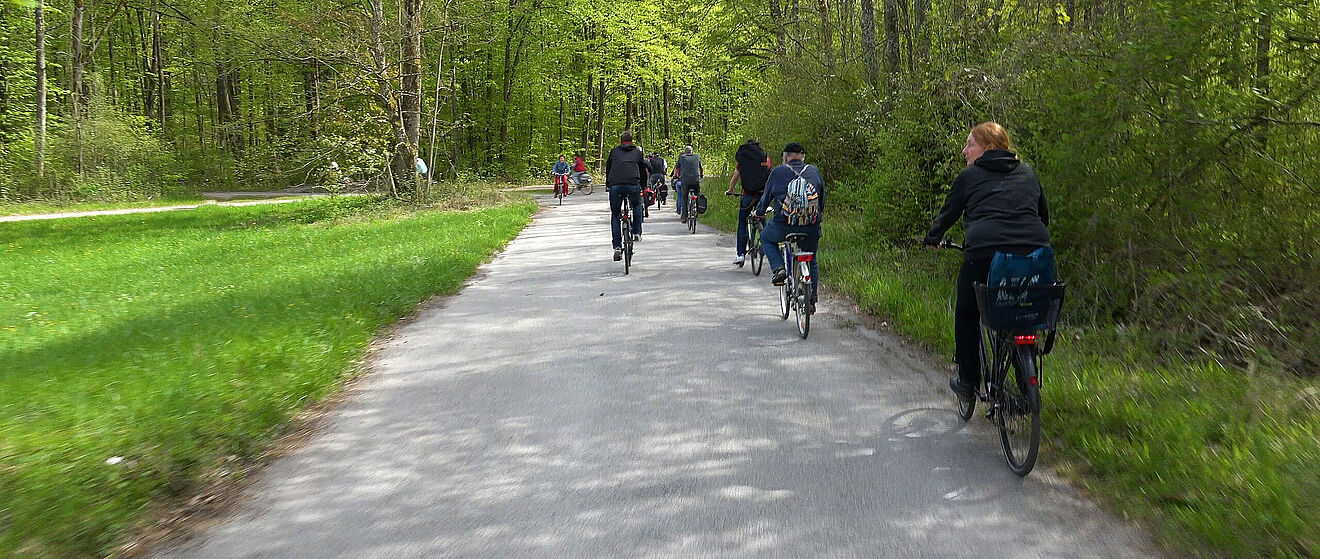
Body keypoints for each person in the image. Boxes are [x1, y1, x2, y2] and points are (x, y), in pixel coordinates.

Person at [923, 122, 1051, 401]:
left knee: (968, 311)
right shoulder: (1028, 174)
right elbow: (1043, 218)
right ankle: (1026, 387)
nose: (964, 150)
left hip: (985, 253)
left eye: (970, 144)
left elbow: (949, 214)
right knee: (1022, 310)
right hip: (1035, 254)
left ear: (989, 149)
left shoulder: (970, 176)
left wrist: (933, 237)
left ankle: (968, 380)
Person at [756, 143, 824, 304]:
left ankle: (779, 268)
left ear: (785, 157)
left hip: (783, 224)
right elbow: (821, 200)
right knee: (811, 258)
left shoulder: (778, 172)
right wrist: (814, 217)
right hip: (810, 225)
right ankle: (812, 300)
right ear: (802, 157)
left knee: (766, 237)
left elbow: (766, 198)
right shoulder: (813, 171)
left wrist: (759, 213)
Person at [727, 138, 773, 266]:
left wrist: (731, 190)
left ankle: (740, 254)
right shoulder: (765, 158)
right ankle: (767, 249)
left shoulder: (743, 160)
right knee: (762, 218)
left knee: (742, 222)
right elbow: (770, 176)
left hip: (748, 196)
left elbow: (736, 176)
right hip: (762, 196)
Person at [605, 130, 650, 261]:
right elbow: (643, 171)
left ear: (621, 140)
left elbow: (609, 168)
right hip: (632, 184)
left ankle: (617, 247)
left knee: (615, 214)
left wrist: (608, 184)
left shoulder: (614, 151)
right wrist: (644, 186)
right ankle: (636, 232)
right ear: (632, 140)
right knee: (637, 205)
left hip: (615, 185)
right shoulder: (637, 152)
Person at [673, 145, 704, 221]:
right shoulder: (697, 157)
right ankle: (697, 212)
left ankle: (684, 217)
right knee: (698, 195)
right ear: (692, 151)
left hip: (685, 180)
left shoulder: (682, 157)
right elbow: (701, 168)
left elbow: (677, 168)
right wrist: (701, 175)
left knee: (684, 197)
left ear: (685, 152)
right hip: (696, 180)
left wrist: (675, 176)